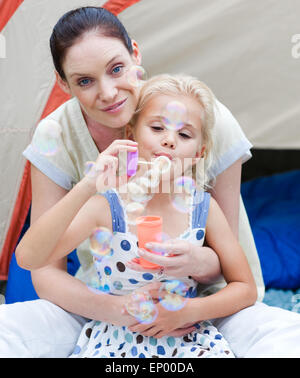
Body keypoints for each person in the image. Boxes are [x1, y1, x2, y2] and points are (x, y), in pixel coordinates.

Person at [1, 6, 299, 358]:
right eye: (84, 80)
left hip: (207, 307)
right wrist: (123, 311)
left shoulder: (206, 121)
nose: (109, 93)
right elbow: (36, 261)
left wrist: (193, 274)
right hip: (100, 306)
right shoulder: (98, 193)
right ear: (63, 83)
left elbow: (234, 274)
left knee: (286, 337)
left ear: (135, 55)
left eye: (116, 68)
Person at [16, 73, 257, 358]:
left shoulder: (202, 207)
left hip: (189, 343)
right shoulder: (105, 207)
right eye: (157, 128)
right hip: (116, 343)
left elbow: (246, 288)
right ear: (131, 135)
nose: (169, 140)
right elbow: (29, 257)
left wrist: (188, 311)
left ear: (200, 153)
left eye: (184, 134)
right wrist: (86, 186)